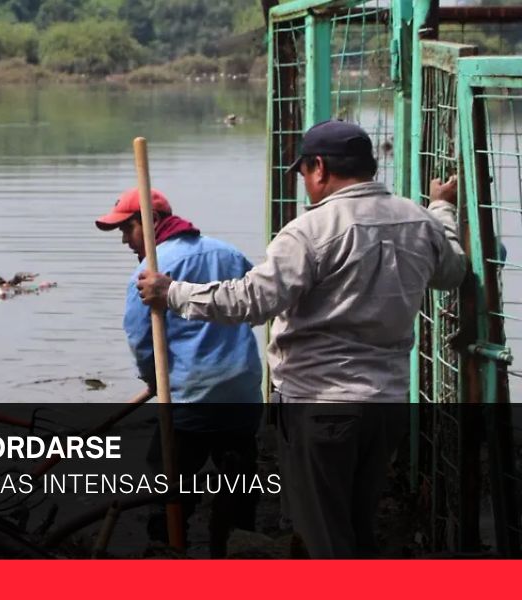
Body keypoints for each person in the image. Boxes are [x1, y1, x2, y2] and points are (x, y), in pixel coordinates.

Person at [135, 120, 466, 557]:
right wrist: (442, 208)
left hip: (322, 408)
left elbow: (251, 301)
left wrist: (171, 292)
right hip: (386, 405)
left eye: (304, 172)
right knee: (358, 525)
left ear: (319, 168)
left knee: (324, 538)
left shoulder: (310, 231)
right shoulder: (418, 221)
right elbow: (454, 270)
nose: (306, 183)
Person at [96, 187, 264, 557]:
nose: (125, 241)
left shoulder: (148, 274)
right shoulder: (229, 253)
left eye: (128, 229)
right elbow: (256, 308)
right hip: (242, 396)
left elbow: (141, 339)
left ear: (152, 222)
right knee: (238, 488)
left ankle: (167, 556)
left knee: (168, 491)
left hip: (188, 400)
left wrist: (153, 381)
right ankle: (237, 553)